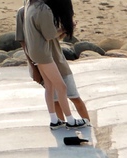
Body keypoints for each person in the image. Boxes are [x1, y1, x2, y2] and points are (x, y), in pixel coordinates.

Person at [18, 0, 89, 129]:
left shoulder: (29, 6)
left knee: (49, 87)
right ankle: (71, 121)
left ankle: (54, 120)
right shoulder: (43, 8)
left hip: (35, 53)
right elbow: (49, 35)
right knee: (61, 87)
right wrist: (65, 29)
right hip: (43, 54)